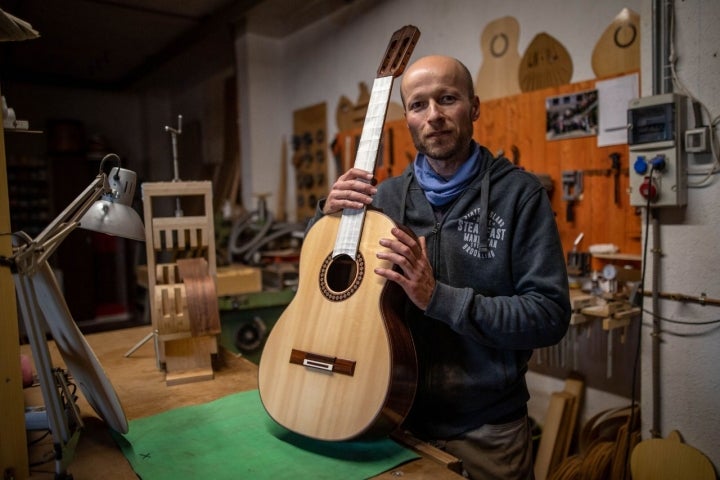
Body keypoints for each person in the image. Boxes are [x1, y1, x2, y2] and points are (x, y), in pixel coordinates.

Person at [312, 55, 571, 479]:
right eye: (418, 105)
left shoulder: (519, 196)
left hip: (487, 432)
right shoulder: (386, 199)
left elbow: (549, 317)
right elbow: (324, 275)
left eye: (447, 99)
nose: (433, 116)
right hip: (391, 420)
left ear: (474, 107)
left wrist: (438, 298)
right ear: (408, 119)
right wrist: (325, 214)